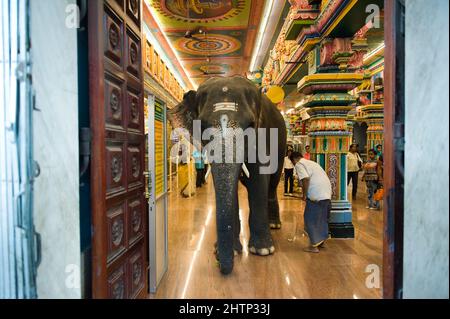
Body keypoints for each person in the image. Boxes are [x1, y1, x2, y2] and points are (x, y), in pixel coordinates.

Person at [290, 151, 332, 253]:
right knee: (322, 218)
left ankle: (313, 246)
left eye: (292, 162)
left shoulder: (299, 164)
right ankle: (321, 242)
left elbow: (305, 179)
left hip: (316, 195)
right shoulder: (312, 163)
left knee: (310, 219)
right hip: (326, 193)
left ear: (294, 159)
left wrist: (304, 195)